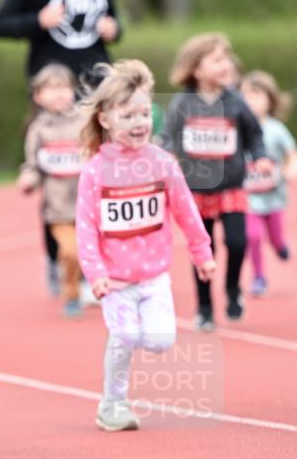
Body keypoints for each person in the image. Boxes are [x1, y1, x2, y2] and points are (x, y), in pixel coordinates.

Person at [75, 60, 215, 431]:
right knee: (124, 335)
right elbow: (86, 228)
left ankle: (122, 376)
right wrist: (96, 275)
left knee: (160, 341)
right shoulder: (94, 171)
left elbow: (187, 212)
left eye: (144, 113)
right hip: (115, 281)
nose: (139, 123)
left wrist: (203, 254)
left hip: (154, 278)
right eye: (128, 115)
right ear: (105, 120)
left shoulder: (162, 163)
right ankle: (113, 404)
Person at [0, 0, 122, 293]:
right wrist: (37, 22)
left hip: (94, 87)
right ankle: (55, 258)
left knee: (99, 176)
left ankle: (97, 258)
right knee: (58, 179)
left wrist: (116, 30)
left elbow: (112, 21)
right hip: (51, 88)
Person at [161, 33, 271, 330]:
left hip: (231, 187)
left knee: (238, 243)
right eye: (217, 60)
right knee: (203, 251)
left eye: (226, 58)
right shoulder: (183, 103)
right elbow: (167, 138)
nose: (225, 65)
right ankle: (205, 307)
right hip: (196, 190)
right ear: (196, 69)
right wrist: (166, 157)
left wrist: (260, 156)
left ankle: (233, 289)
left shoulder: (235, 101)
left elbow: (254, 134)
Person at [17, 64, 84, 317]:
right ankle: (72, 295)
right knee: (70, 250)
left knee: (90, 251)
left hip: (88, 205)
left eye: (64, 88)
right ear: (38, 96)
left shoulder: (85, 122)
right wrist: (28, 179)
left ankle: (88, 281)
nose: (59, 94)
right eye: (52, 89)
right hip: (58, 207)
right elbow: (32, 164)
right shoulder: (39, 129)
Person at [240, 70, 297, 296]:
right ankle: (259, 277)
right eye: (247, 96)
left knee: (274, 237)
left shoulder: (276, 129)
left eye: (257, 95)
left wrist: (290, 167)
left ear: (269, 99)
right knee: (252, 237)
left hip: (274, 197)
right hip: (249, 197)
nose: (251, 101)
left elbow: (291, 152)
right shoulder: (239, 129)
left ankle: (280, 246)